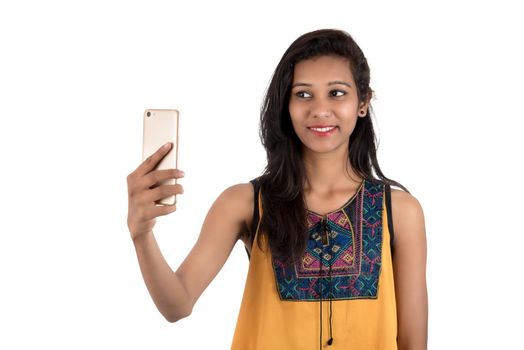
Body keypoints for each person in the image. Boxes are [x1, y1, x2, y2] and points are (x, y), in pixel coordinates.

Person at [127, 29, 428, 350]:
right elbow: (177, 304)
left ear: (363, 102)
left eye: (337, 93)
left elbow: (412, 342)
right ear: (285, 103)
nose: (320, 110)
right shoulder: (245, 204)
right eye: (303, 94)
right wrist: (141, 234)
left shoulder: (398, 211)